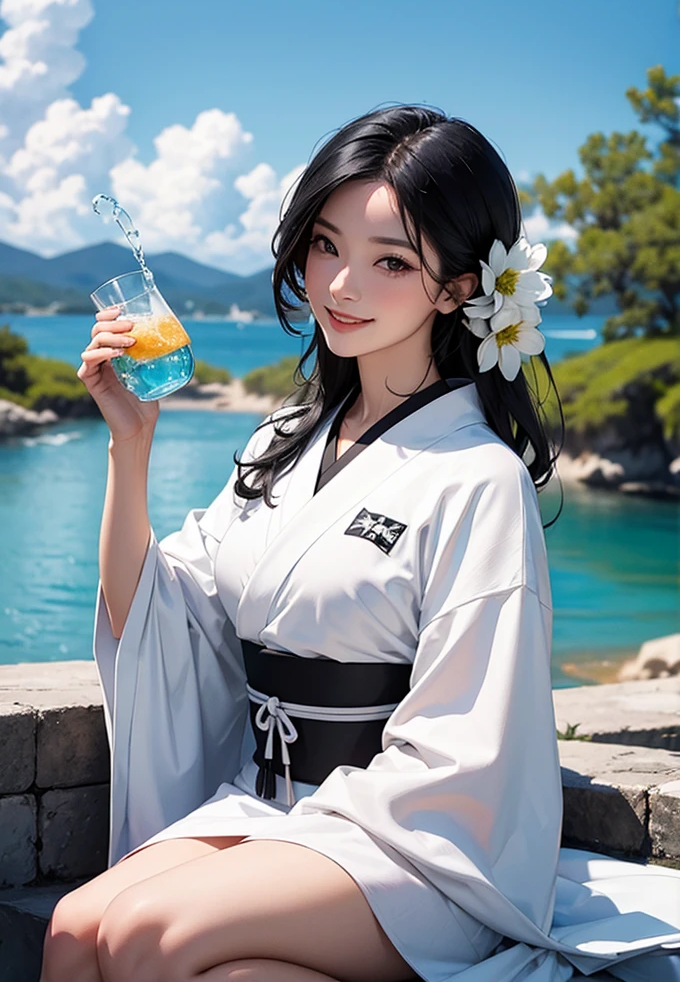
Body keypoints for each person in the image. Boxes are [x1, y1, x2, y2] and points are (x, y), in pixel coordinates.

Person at [41, 106, 680, 982]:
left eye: (390, 262)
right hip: (271, 809)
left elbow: (468, 750)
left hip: (409, 837)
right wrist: (131, 443)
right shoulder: (287, 439)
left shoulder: (476, 479)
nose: (339, 285)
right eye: (326, 246)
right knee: (76, 929)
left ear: (457, 287)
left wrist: (317, 826)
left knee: (148, 935)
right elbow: (152, 614)